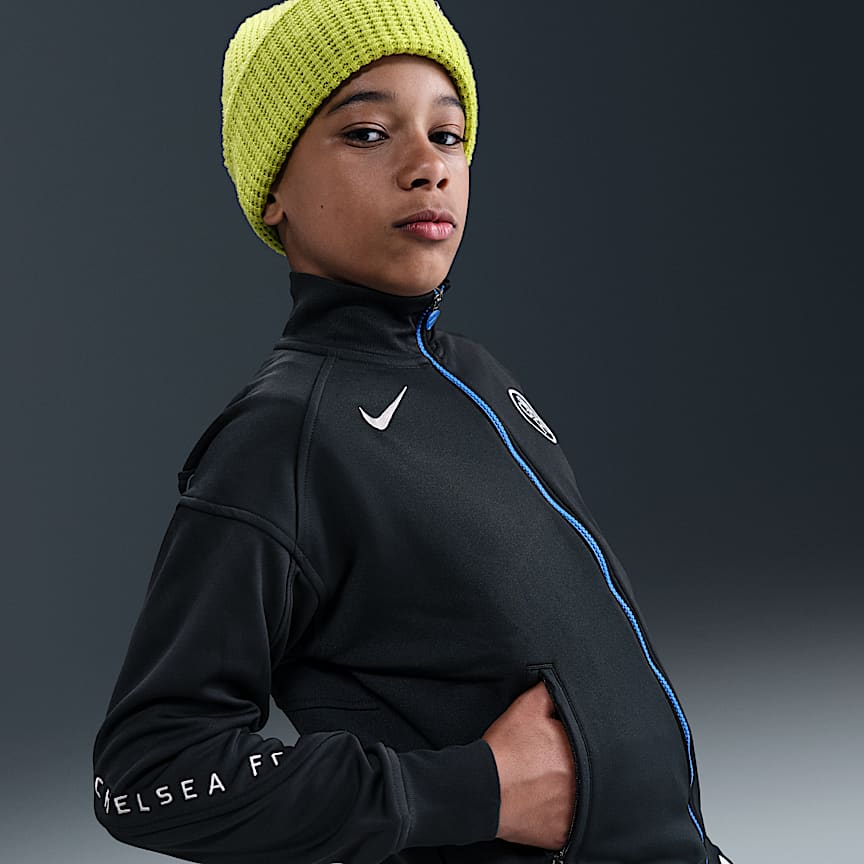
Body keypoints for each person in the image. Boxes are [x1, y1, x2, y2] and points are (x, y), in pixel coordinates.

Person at [92, 2, 733, 863]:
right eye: (366, 132)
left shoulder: (478, 377)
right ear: (273, 188)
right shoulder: (283, 436)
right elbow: (146, 770)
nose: (427, 166)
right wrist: (474, 790)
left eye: (448, 135)